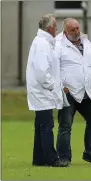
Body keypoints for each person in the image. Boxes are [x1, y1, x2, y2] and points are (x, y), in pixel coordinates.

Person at [55, 18, 91, 166]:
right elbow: (53, 68)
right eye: (73, 30)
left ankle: (90, 154)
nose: (77, 32)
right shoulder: (58, 45)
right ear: (65, 32)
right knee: (65, 125)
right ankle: (64, 157)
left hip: (86, 92)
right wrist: (60, 86)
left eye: (77, 28)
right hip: (68, 91)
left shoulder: (87, 43)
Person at [26, 14, 69, 167]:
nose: (56, 29)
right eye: (55, 26)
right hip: (43, 91)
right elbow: (41, 70)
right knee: (46, 125)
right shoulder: (43, 44)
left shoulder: (42, 42)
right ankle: (51, 158)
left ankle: (39, 159)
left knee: (40, 126)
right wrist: (52, 86)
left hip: (40, 91)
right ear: (50, 28)